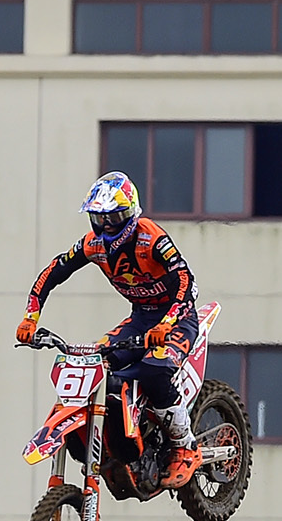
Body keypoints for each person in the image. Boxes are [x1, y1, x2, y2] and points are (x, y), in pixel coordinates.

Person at [15, 172, 203, 488]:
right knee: (96, 364)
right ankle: (117, 438)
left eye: (114, 217)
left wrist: (167, 323)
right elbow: (53, 272)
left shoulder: (151, 238)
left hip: (178, 318)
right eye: (99, 218)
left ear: (130, 213)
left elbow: (186, 282)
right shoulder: (92, 244)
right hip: (141, 318)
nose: (107, 226)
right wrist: (30, 318)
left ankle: (185, 446)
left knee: (155, 370)